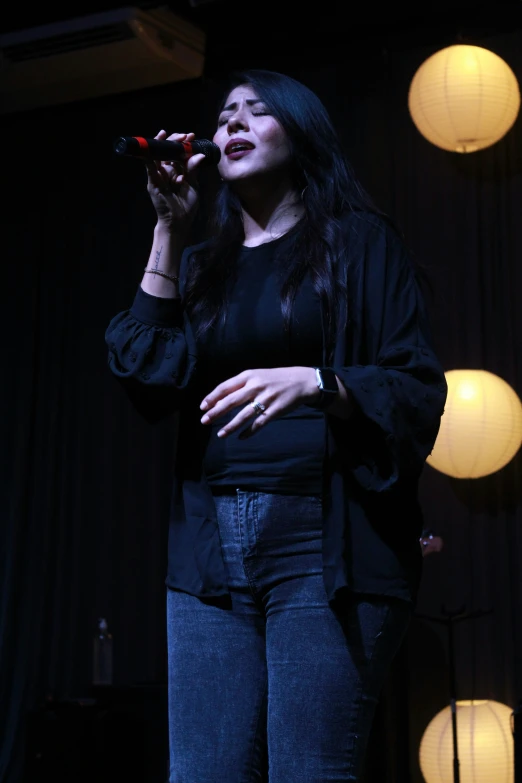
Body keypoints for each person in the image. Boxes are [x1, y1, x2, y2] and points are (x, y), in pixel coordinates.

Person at [105, 68, 447, 783]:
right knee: (202, 771)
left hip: (323, 542)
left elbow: (416, 388)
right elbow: (144, 373)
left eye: (255, 112)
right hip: (209, 548)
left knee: (310, 770)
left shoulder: (359, 245)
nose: (231, 123)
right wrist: (169, 226)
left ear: (301, 133)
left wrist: (319, 383)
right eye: (224, 113)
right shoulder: (204, 265)